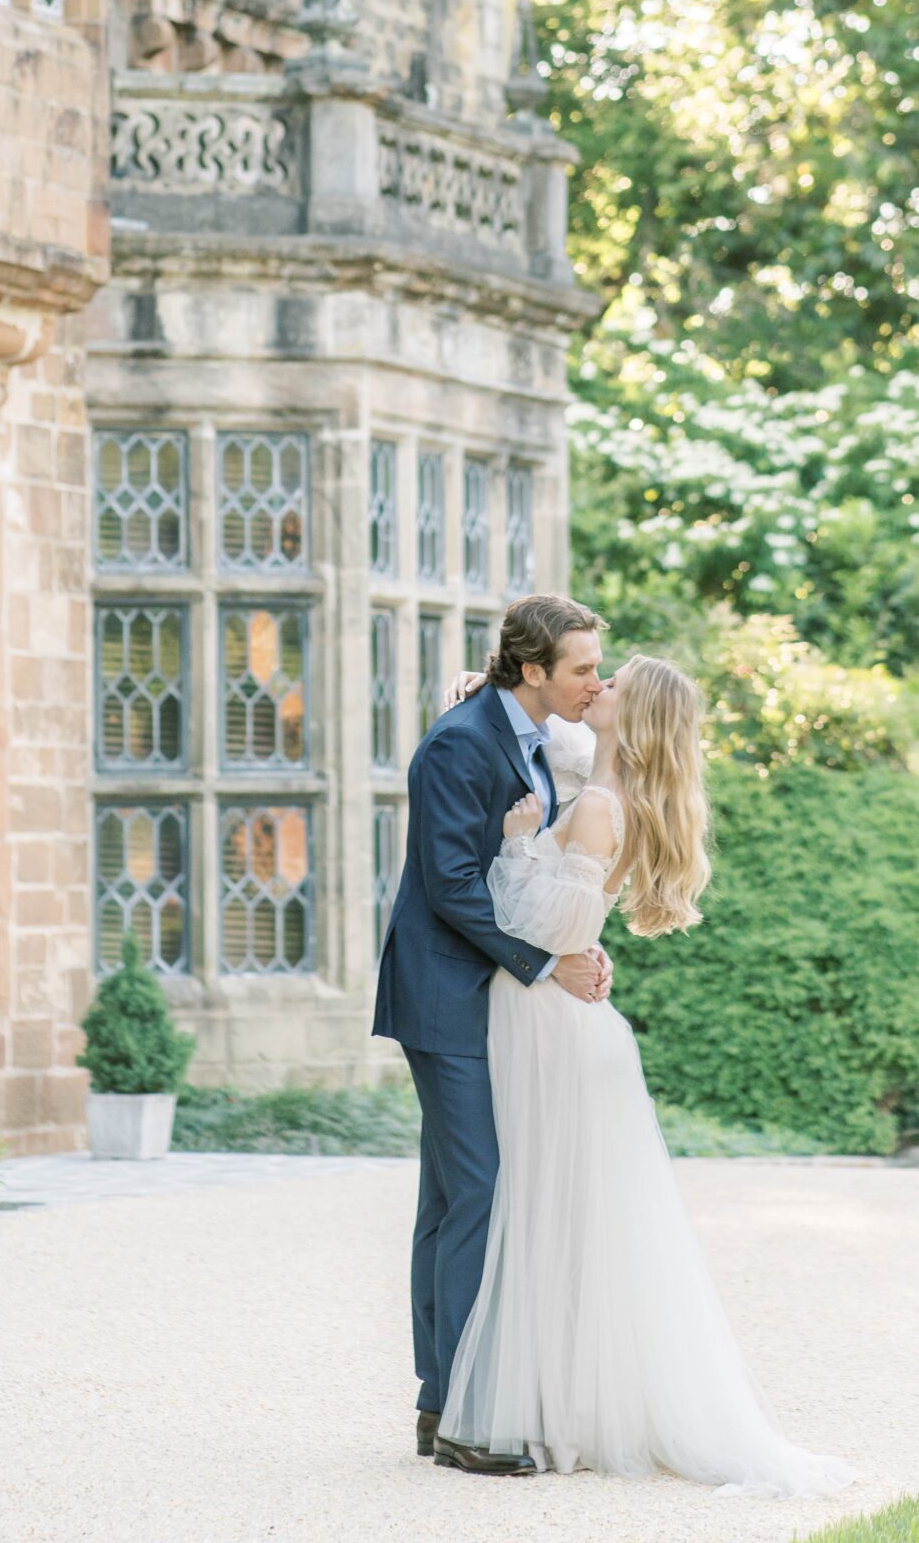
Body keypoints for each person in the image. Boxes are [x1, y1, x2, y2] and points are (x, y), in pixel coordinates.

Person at [439, 653, 855, 1497]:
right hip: (554, 1022)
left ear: (635, 714)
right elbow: (534, 738)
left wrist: (516, 844)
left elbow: (547, 922)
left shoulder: (597, 806)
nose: (597, 688)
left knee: (547, 1215)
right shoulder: (586, 777)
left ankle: (550, 1411)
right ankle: (560, 1403)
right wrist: (474, 694)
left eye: (613, 682)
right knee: (559, 1218)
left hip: (550, 1025)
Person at [373, 593, 613, 1476]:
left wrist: (574, 942)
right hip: (443, 993)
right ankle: (469, 1415)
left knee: (450, 1197)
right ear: (532, 669)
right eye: (581, 667)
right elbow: (449, 886)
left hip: (488, 989)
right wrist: (545, 966)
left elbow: (536, 860)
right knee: (474, 1193)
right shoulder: (459, 743)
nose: (595, 680)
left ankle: (442, 1401)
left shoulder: (526, 732)